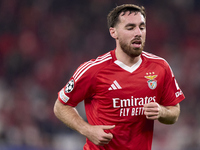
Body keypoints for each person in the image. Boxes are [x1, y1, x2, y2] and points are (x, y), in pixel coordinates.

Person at [54, 4, 185, 150]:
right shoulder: (93, 70)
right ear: (113, 32)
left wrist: (161, 112)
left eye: (142, 27)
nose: (138, 33)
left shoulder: (160, 67)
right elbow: (61, 106)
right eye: (130, 28)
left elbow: (174, 112)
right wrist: (87, 130)